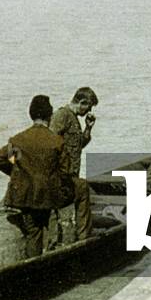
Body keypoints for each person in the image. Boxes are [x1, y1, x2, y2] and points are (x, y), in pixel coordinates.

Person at [0, 95, 74, 257]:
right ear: (49, 116)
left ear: (31, 115)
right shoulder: (56, 142)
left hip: (23, 196)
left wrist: (17, 172)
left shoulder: (18, 141)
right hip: (48, 197)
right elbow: (65, 172)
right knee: (43, 230)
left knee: (33, 232)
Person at [50, 87, 98, 241]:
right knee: (83, 189)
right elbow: (50, 143)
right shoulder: (62, 115)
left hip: (70, 175)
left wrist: (88, 128)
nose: (89, 111)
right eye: (88, 107)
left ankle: (78, 235)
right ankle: (85, 237)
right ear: (82, 102)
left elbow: (77, 146)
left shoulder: (73, 119)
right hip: (62, 176)